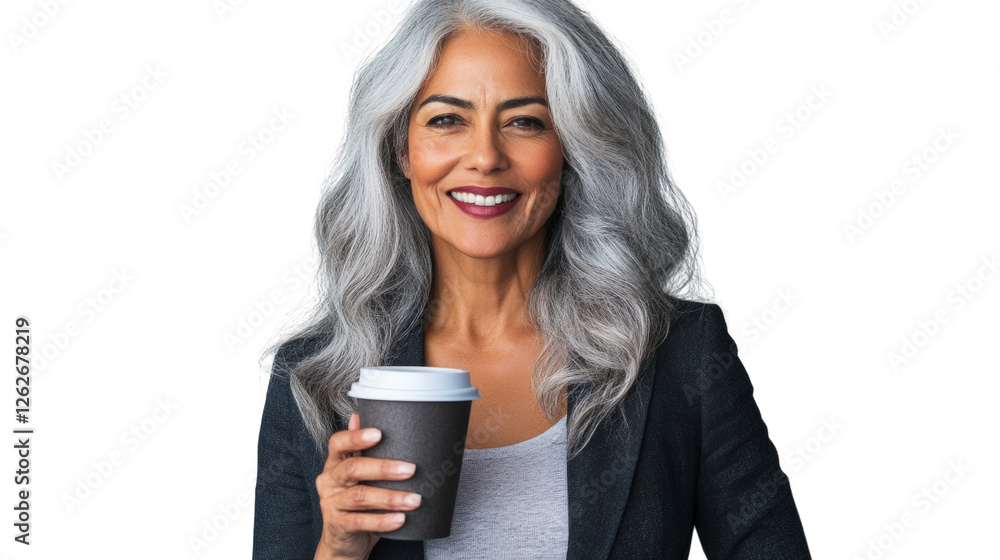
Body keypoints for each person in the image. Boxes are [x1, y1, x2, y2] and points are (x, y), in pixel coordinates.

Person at [253, 0, 812, 558]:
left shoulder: (680, 353)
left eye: (525, 122)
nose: (485, 157)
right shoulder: (317, 377)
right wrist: (339, 548)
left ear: (573, 147)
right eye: (447, 120)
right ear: (401, 150)